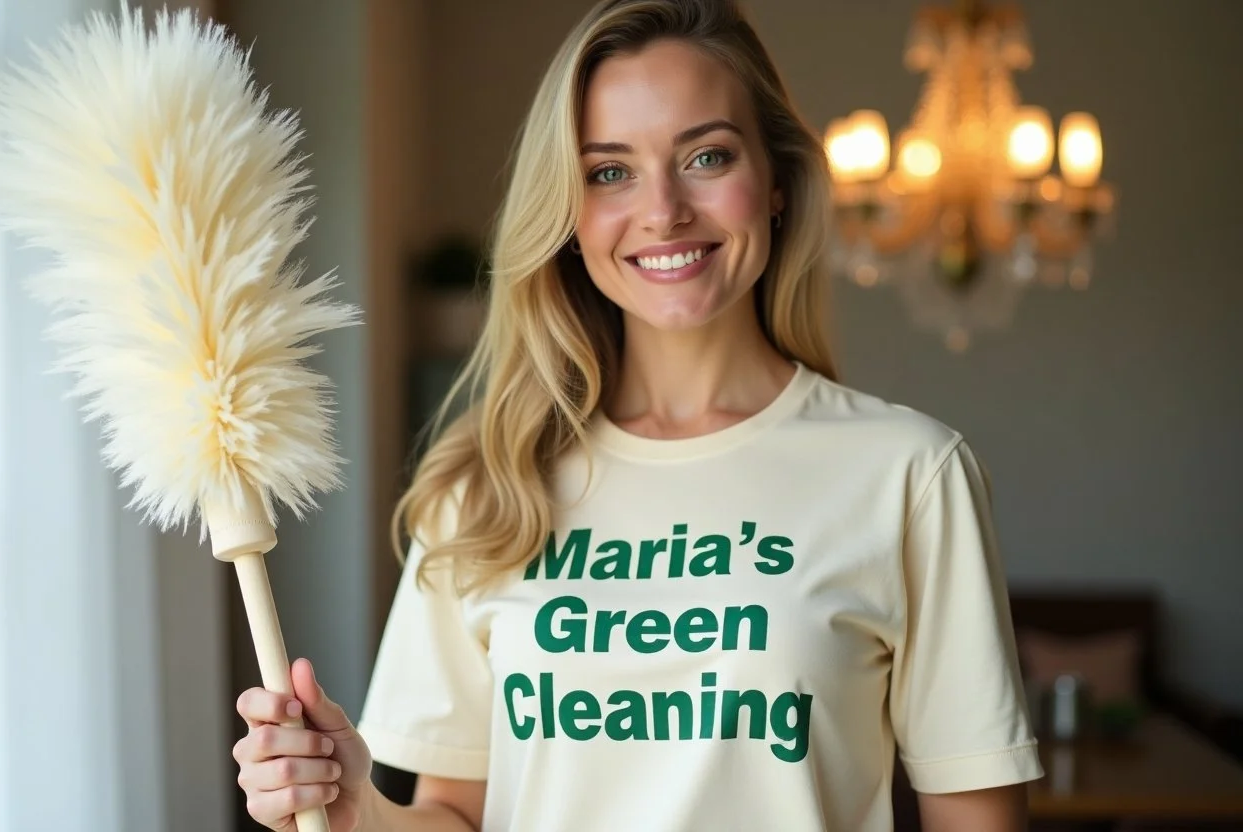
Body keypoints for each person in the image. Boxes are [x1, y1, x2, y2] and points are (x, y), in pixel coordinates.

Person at [232, 0, 1044, 829]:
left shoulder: (908, 474)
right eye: (609, 171)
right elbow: (453, 817)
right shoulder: (483, 484)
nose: (663, 211)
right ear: (569, 218)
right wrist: (351, 805)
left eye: (707, 156)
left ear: (774, 184)